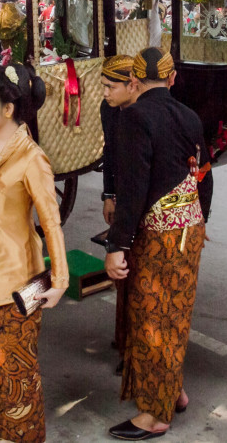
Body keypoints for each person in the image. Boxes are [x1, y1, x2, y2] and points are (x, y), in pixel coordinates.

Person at [103, 47, 212, 441]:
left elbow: (132, 191)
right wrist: (201, 218)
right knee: (175, 316)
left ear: (134, 80)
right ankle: (174, 391)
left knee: (151, 320)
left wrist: (117, 244)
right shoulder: (189, 114)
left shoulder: (134, 117)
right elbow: (204, 173)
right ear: (172, 79)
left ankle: (154, 415)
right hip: (189, 229)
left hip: (159, 235)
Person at [0, 64, 68, 443]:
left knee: (16, 370)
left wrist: (60, 281)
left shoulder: (32, 159)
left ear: (8, 109)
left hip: (16, 277)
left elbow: (51, 222)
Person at [98, 55, 138, 375]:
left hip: (144, 206)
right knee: (123, 276)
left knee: (135, 276)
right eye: (104, 87)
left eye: (111, 87)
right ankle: (123, 340)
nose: (106, 94)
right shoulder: (108, 110)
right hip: (122, 198)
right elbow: (109, 154)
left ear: (132, 85)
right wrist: (108, 195)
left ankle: (132, 349)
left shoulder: (146, 115)